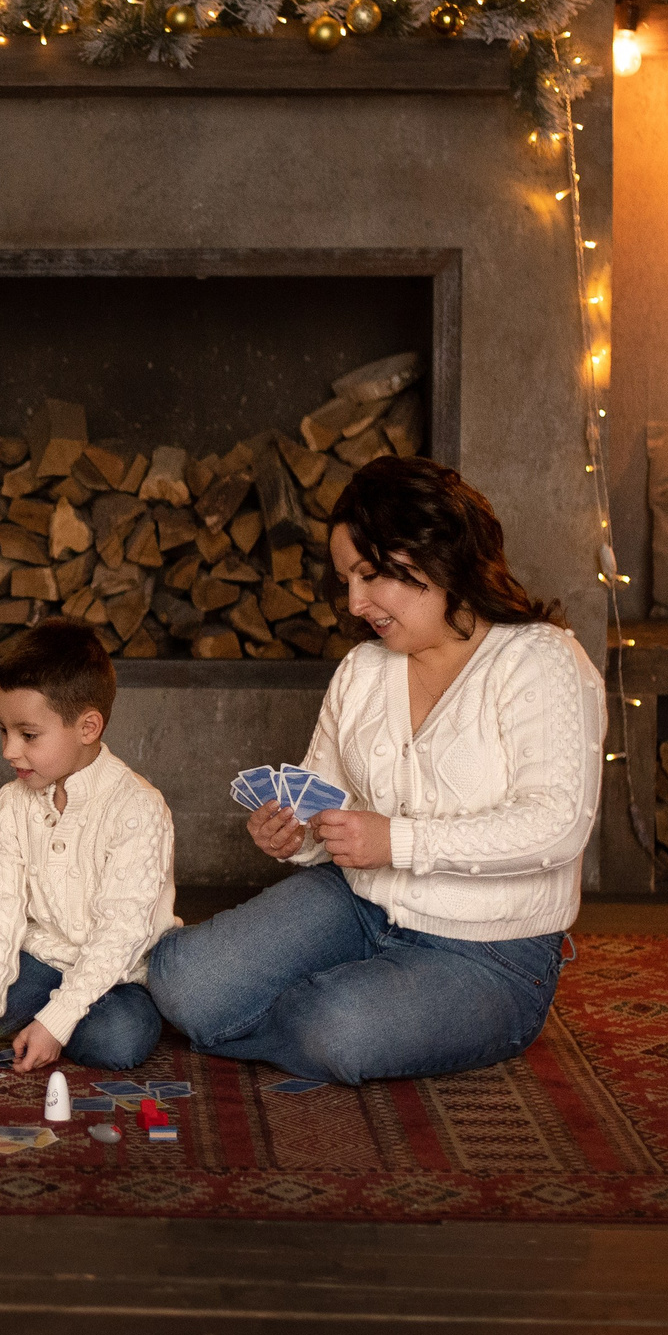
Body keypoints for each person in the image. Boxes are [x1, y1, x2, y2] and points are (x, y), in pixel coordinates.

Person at [147, 454, 604, 1087]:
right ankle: (318, 1009)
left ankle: (333, 1012)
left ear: (434, 554)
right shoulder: (364, 670)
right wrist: (295, 836)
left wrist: (397, 840)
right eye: (347, 579)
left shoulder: (543, 661)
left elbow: (556, 827)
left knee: (341, 1028)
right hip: (357, 903)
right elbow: (322, 797)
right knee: (182, 980)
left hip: (490, 952)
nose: (356, 602)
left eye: (370, 575)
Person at [0, 620, 175, 1074]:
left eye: (27, 735)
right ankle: (23, 1020)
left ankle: (45, 1025)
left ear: (88, 726)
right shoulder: (11, 804)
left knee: (118, 1041)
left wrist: (59, 1018)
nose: (9, 750)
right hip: (37, 962)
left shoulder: (139, 807)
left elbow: (121, 934)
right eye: (1, 730)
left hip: (117, 974)